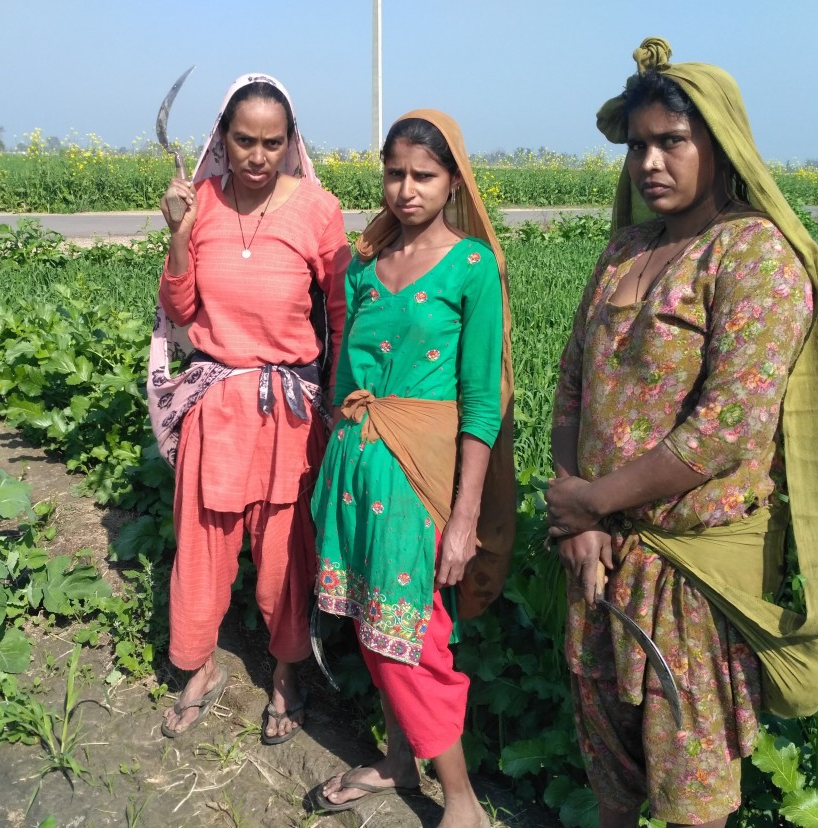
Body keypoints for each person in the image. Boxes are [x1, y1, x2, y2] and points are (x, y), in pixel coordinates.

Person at [546, 38, 818, 827]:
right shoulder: (627, 248)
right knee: (610, 756)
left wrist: (592, 500)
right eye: (637, 147)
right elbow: (571, 383)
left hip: (694, 569)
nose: (649, 163)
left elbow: (726, 428)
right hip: (599, 555)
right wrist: (579, 515)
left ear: (719, 145)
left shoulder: (754, 254)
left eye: (671, 142)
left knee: (693, 776)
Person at [309, 111, 515, 828]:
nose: (406, 190)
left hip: (420, 476)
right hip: (357, 466)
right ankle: (398, 762)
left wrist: (463, 518)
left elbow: (482, 403)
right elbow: (342, 370)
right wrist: (339, 448)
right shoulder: (364, 263)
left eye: (423, 175)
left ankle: (461, 799)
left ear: (453, 179)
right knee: (374, 626)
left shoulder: (471, 267)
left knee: (414, 636)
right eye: (394, 173)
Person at [148, 73, 350, 743]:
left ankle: (287, 675)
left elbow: (340, 311)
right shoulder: (200, 201)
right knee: (202, 546)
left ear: (291, 142)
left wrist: (343, 400)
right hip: (217, 404)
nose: (257, 156)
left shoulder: (319, 209)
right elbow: (179, 309)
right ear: (221, 140)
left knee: (285, 553)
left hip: (289, 412)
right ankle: (197, 667)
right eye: (244, 141)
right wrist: (177, 232)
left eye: (271, 142)